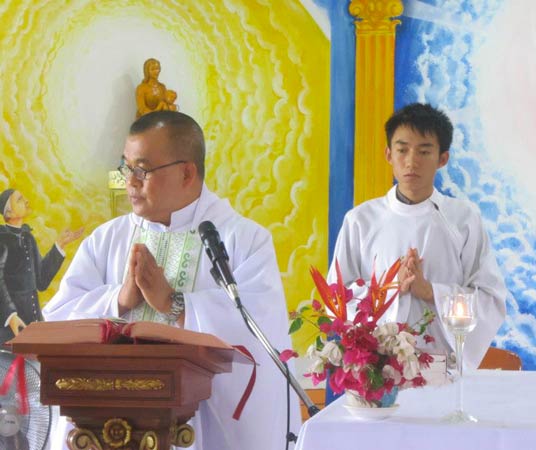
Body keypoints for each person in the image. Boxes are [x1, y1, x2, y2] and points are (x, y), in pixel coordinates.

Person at [43, 111, 300, 450]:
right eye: (126, 168)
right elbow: (55, 320)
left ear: (186, 173)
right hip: (104, 426)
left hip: (200, 426)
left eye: (142, 170)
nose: (130, 182)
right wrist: (118, 300)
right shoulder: (106, 240)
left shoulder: (243, 240)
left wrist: (175, 305)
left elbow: (261, 328)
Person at [328, 103, 507, 370]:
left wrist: (432, 292)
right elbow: (336, 299)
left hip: (442, 367)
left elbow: (490, 300)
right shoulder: (360, 221)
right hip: (377, 371)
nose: (411, 162)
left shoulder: (463, 219)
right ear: (388, 154)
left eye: (424, 151)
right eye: (402, 150)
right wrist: (391, 288)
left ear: (442, 159)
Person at [0, 189, 83, 344]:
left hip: (34, 323)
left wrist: (59, 245)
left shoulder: (28, 238)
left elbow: (41, 281)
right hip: (9, 327)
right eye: (19, 199)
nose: (26, 201)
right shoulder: (2, 239)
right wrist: (10, 315)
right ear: (9, 212)